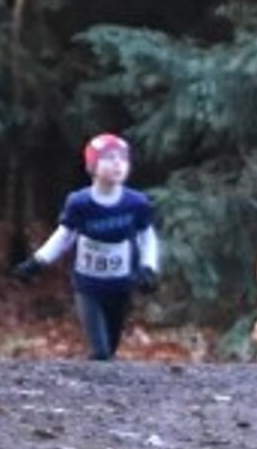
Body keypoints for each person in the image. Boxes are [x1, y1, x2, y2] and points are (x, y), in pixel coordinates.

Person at [10, 133, 161, 361]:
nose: (118, 164)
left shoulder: (136, 203)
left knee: (110, 346)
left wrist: (148, 268)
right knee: (100, 351)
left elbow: (147, 237)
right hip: (88, 284)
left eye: (123, 159)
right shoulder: (80, 203)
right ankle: (95, 389)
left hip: (121, 283)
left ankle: (105, 388)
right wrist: (37, 262)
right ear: (93, 166)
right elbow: (64, 237)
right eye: (109, 158)